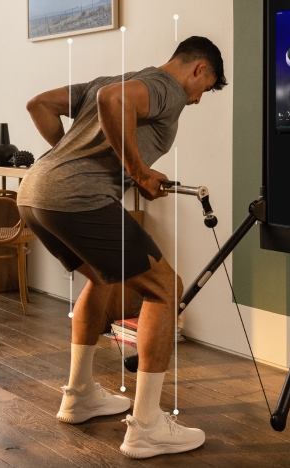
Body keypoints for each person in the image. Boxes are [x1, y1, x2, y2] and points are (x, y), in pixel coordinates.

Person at [16, 36, 227, 459]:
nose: (200, 99)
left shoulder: (110, 79)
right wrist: (138, 170)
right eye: (206, 88)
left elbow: (39, 104)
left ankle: (79, 396)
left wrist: (66, 160)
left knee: (101, 276)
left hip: (34, 193)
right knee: (165, 288)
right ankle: (147, 426)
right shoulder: (166, 88)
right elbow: (116, 101)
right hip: (77, 199)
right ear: (199, 69)